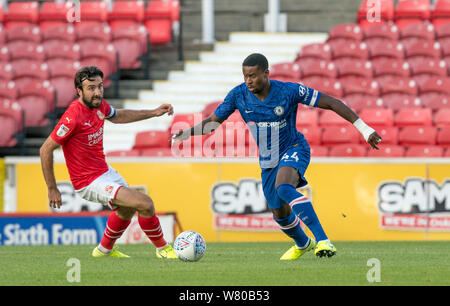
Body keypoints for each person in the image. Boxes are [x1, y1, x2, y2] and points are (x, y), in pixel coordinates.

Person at [173, 53, 382, 260]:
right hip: (268, 160)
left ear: (266, 73)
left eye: (253, 76)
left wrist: (364, 129)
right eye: (245, 76)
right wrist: (186, 133)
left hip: (294, 147)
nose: (248, 81)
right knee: (279, 213)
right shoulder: (238, 95)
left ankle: (323, 241)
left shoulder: (288, 91)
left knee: (284, 188)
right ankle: (303, 243)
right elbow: (213, 122)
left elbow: (331, 102)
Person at [40, 66, 178, 259]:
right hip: (88, 181)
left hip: (104, 172)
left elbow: (119, 116)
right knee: (144, 203)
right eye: (91, 88)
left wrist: (153, 112)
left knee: (127, 209)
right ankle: (163, 249)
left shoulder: (99, 105)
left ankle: (104, 250)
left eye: (100, 87)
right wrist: (52, 188)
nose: (97, 92)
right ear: (79, 91)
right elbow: (45, 149)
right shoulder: (72, 117)